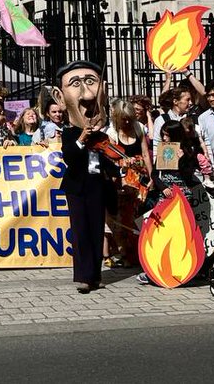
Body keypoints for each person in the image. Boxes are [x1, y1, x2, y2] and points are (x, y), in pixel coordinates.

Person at [56, 61, 111, 293]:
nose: (86, 91)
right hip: (77, 187)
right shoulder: (69, 133)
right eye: (76, 83)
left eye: (90, 82)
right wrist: (81, 138)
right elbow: (69, 155)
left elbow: (108, 159)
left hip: (96, 185)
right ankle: (84, 276)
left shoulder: (102, 135)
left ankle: (96, 274)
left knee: (97, 230)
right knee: (80, 231)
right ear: (60, 97)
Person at [105, 99, 151, 266]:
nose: (126, 122)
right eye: (123, 118)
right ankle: (124, 253)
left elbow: (145, 154)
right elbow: (110, 158)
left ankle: (138, 252)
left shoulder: (138, 127)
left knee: (136, 215)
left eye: (128, 118)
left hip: (140, 177)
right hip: (123, 177)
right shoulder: (112, 132)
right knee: (122, 217)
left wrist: (152, 175)